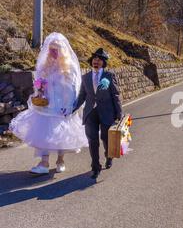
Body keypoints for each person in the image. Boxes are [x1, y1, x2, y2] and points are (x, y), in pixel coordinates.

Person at [10, 33, 88, 174]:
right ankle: (44, 163)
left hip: (62, 106)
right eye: (50, 49)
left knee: (61, 134)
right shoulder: (46, 65)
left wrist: (68, 105)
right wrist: (39, 90)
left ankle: (60, 159)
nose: (52, 52)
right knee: (44, 133)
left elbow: (72, 88)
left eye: (55, 49)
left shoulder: (68, 67)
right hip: (46, 105)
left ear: (62, 50)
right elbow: (39, 84)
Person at [73, 48, 122, 180]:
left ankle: (108, 155)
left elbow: (115, 95)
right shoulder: (86, 77)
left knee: (105, 139)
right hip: (90, 113)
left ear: (103, 63)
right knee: (92, 140)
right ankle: (95, 167)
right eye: (94, 59)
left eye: (99, 59)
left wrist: (119, 113)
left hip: (107, 112)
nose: (96, 61)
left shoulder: (109, 76)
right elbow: (82, 96)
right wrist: (72, 108)